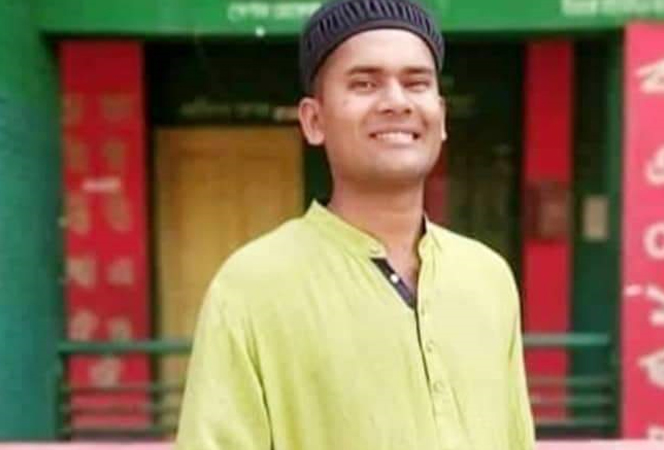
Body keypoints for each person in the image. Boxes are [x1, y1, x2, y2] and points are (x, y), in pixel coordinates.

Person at [175, 0, 535, 449]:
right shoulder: (251, 288)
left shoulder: (488, 278)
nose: (397, 102)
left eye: (416, 83)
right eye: (365, 83)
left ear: (441, 117)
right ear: (314, 120)